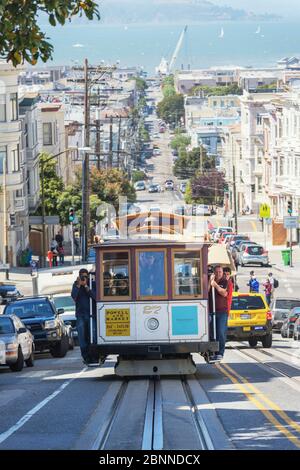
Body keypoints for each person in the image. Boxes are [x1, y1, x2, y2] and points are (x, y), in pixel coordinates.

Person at [71, 268, 96, 364]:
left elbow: (95, 296)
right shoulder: (76, 284)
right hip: (81, 315)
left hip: (91, 314)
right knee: (81, 336)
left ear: (88, 276)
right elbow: (74, 297)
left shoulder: (92, 283)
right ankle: (85, 356)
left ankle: (94, 355)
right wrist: (78, 285)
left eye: (85, 276)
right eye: (82, 276)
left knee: (93, 335)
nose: (83, 278)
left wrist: (86, 286)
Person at [208, 265, 229, 361]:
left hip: (222, 312)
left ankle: (220, 353)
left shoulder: (225, 281)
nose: (218, 274)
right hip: (211, 311)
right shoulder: (211, 280)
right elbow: (206, 291)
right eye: (216, 272)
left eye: (220, 272)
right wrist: (210, 282)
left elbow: (224, 293)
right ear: (214, 273)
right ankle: (212, 352)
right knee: (212, 333)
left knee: (220, 332)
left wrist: (215, 285)